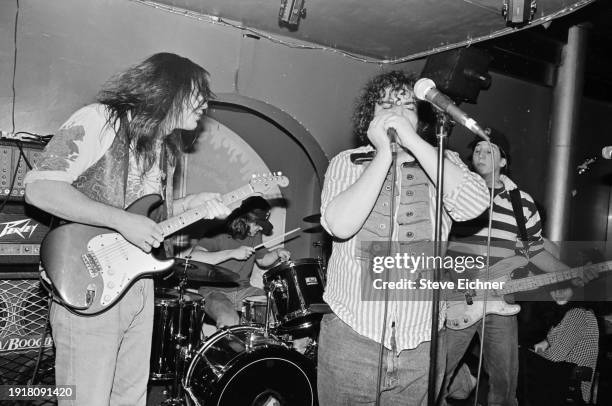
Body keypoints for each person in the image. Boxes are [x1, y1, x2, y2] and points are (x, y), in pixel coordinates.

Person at [24, 53, 231, 406]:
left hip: (138, 284)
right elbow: (39, 188)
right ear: (168, 88)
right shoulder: (99, 120)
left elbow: (149, 216)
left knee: (130, 398)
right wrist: (122, 221)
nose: (205, 104)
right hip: (88, 279)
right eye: (198, 93)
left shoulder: (163, 149)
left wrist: (196, 204)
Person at [317, 70, 490, 405]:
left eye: (406, 106)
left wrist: (411, 142)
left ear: (419, 117)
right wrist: (384, 153)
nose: (395, 113)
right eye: (385, 106)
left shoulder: (444, 162)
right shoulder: (347, 163)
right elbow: (339, 225)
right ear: (369, 119)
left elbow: (473, 205)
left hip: (422, 344)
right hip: (352, 338)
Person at [441, 130, 596, 406]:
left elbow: (533, 250)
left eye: (489, 149)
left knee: (504, 384)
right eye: (476, 148)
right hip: (456, 299)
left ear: (503, 161)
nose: (480, 152)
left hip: (499, 302)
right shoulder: (455, 191)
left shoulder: (521, 202)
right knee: (435, 378)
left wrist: (568, 274)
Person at [189, 196, 291, 328]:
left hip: (243, 290)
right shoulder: (219, 231)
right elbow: (194, 258)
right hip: (214, 291)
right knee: (230, 321)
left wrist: (276, 253)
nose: (260, 229)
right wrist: (231, 253)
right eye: (257, 224)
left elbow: (262, 260)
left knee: (276, 308)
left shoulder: (255, 235)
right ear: (245, 219)